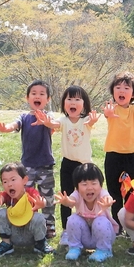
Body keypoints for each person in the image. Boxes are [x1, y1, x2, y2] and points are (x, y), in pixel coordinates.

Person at [33, 85, 100, 229]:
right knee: (66, 197)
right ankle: (66, 229)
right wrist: (46, 122)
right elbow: (54, 124)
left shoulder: (86, 120)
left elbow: (91, 122)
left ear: (84, 104)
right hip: (67, 165)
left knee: (87, 196)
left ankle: (91, 224)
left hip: (85, 167)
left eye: (77, 99)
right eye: (69, 99)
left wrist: (93, 120)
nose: (73, 102)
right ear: (64, 103)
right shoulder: (63, 120)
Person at [0, 80, 57, 239]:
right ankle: (25, 221)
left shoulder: (48, 116)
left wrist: (46, 122)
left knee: (47, 197)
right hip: (27, 167)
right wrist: (6, 128)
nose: (38, 96)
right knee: (24, 196)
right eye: (34, 93)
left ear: (48, 99)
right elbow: (14, 125)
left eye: (42, 94)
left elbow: (54, 125)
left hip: (46, 165)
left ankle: (49, 224)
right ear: (27, 98)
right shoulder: (23, 117)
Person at [102, 72, 134, 221]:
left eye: (126, 88)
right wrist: (107, 113)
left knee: (132, 190)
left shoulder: (133, 110)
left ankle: (130, 220)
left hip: (132, 155)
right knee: (114, 190)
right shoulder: (111, 109)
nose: (122, 91)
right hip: (113, 155)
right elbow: (107, 113)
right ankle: (116, 222)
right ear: (113, 92)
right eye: (118, 87)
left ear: (132, 94)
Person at [0, 162, 54, 257]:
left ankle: (40, 244)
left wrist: (41, 204)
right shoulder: (6, 195)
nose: (9, 184)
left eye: (13, 180)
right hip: (13, 234)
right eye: (5, 182)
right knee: (1, 212)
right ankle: (6, 244)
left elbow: (41, 201)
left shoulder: (30, 193)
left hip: (30, 234)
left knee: (39, 217)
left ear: (24, 180)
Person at [55, 162, 117, 262]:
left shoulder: (102, 193)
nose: (89, 187)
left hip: (104, 237)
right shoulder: (77, 194)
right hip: (85, 237)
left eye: (94, 183)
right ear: (77, 188)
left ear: (100, 185)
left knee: (100, 221)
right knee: (72, 219)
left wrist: (107, 202)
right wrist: (66, 202)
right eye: (84, 184)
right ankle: (75, 248)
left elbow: (108, 198)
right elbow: (72, 201)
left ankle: (104, 250)